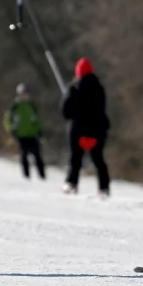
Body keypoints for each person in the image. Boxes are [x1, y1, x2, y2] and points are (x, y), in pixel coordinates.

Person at [61, 57, 110, 196]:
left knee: (75, 159)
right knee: (98, 159)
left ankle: (72, 184)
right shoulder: (99, 89)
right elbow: (101, 109)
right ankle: (104, 188)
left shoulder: (73, 88)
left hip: (77, 130)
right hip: (97, 129)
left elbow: (65, 112)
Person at [4, 82, 45, 180]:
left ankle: (42, 175)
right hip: (21, 135)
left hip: (32, 135)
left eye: (27, 94)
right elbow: (8, 119)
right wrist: (11, 129)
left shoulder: (32, 106)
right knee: (24, 156)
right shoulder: (15, 107)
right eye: (24, 94)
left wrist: (39, 130)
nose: (26, 96)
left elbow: (37, 120)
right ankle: (26, 176)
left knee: (37, 155)